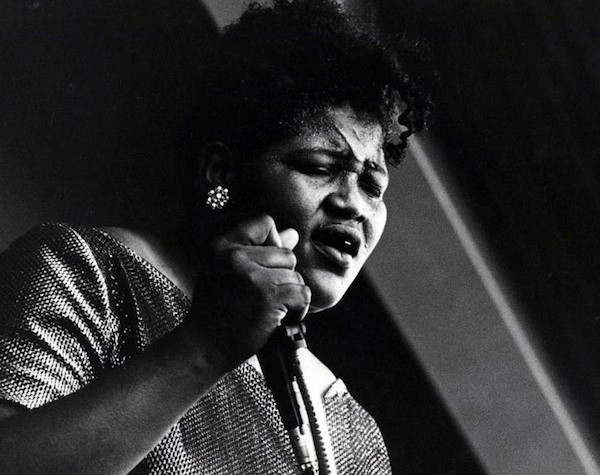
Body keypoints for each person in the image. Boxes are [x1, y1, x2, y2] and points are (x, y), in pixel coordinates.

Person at [0, 0, 429, 473]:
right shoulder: (87, 269)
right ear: (221, 172)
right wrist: (206, 347)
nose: (354, 204)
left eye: (372, 186)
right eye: (319, 167)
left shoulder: (352, 433)